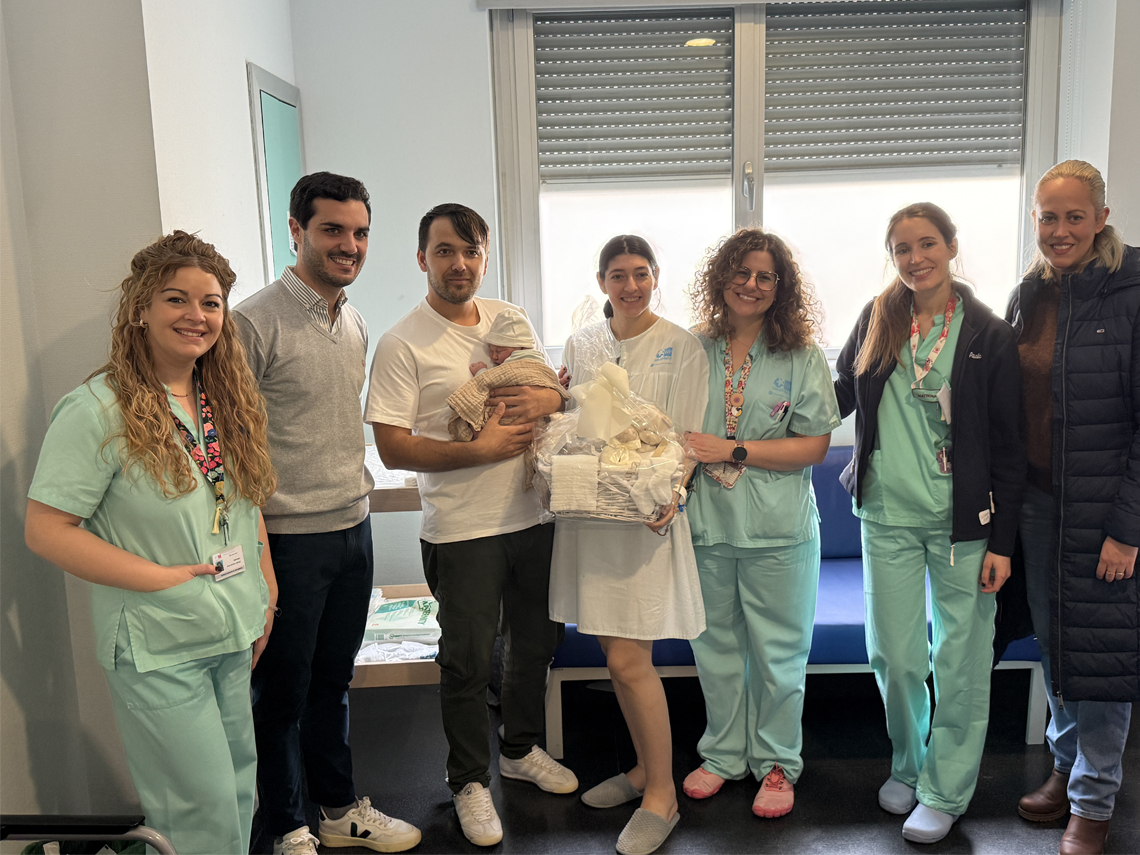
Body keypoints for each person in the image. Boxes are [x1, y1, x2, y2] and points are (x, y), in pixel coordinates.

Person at [24, 232, 278, 855]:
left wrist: (266, 590)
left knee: (239, 796)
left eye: (211, 302)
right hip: (157, 640)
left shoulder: (222, 400)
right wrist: (161, 579)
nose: (197, 315)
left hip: (231, 626)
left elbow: (243, 505)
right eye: (176, 299)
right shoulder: (96, 408)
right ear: (141, 307)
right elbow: (46, 529)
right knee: (198, 811)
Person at [367, 203, 577, 848]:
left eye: (471, 251)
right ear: (422, 258)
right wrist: (477, 451)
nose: (459, 263)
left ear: (484, 257)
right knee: (466, 662)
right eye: (445, 251)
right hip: (461, 530)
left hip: (533, 515)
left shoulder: (509, 320)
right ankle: (468, 782)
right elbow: (392, 448)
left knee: (535, 643)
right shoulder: (403, 343)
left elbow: (550, 389)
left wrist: (551, 395)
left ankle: (520, 749)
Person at [234, 172, 420, 855]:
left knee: (335, 681)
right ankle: (287, 825)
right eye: (333, 230)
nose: (350, 245)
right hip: (288, 537)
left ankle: (338, 809)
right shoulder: (252, 322)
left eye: (360, 232)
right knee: (281, 692)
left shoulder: (354, 320)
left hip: (352, 526)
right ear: (297, 230)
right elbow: (231, 441)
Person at [834, 203, 1025, 844]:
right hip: (885, 512)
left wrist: (1003, 542)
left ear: (950, 246)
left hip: (962, 523)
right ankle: (909, 763)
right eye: (902, 248)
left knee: (960, 658)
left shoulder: (988, 333)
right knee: (894, 654)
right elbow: (836, 393)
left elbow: (1009, 446)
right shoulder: (877, 318)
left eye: (927, 244)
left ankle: (945, 789)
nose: (915, 259)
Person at [551, 235, 710, 855]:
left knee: (628, 660)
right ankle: (645, 770)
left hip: (647, 515)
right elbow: (574, 420)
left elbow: (688, 436)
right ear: (602, 282)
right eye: (618, 275)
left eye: (641, 273)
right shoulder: (583, 342)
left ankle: (662, 796)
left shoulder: (682, 345)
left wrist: (675, 491)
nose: (631, 286)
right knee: (614, 654)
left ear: (655, 277)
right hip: (595, 513)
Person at [681, 228, 841, 819]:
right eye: (741, 272)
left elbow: (814, 446)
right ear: (721, 276)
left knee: (779, 655)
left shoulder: (799, 355)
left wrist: (733, 450)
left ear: (780, 288)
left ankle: (776, 762)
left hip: (779, 531)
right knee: (715, 649)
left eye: (765, 276)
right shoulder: (692, 348)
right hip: (707, 525)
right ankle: (723, 754)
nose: (751, 284)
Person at [1007, 160, 1140, 855]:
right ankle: (1064, 765)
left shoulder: (1133, 291)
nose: (1060, 230)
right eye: (1048, 217)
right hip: (1037, 504)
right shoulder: (1030, 293)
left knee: (1102, 655)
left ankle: (1094, 798)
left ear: (1101, 218)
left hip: (1104, 512)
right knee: (1057, 645)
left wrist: (1127, 530)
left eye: (1074, 216)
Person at [448, 307, 569, 441]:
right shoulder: (538, 358)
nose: (494, 356)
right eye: (491, 351)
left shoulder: (521, 361)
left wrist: (480, 372)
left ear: (522, 348)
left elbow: (495, 379)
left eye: (500, 351)